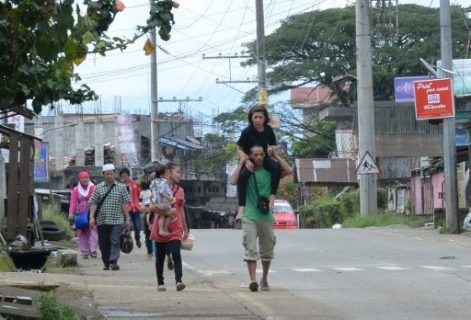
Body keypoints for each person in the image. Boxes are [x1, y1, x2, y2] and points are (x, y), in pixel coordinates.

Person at [231, 144, 292, 292]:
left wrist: (276, 155)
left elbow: (288, 171)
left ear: (265, 155)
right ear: (251, 156)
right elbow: (233, 181)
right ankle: (253, 280)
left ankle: (264, 278)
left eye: (261, 154)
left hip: (266, 216)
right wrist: (242, 161)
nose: (258, 157)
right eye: (255, 155)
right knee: (250, 249)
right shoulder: (247, 172)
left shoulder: (271, 171)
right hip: (249, 216)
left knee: (267, 250)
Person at [236, 105, 282, 220]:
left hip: (263, 156)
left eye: (260, 117)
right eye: (255, 117)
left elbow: (272, 145)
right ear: (251, 118)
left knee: (276, 168)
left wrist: (271, 149)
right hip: (249, 158)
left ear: (264, 118)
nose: (257, 120)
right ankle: (242, 207)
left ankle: (272, 198)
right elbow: (239, 148)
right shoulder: (246, 131)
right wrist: (246, 160)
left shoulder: (269, 130)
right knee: (243, 176)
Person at [150, 162, 189, 292]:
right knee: (160, 255)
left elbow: (181, 209)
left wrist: (185, 228)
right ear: (169, 173)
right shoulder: (158, 186)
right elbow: (151, 206)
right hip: (160, 225)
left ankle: (178, 281)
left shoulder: (180, 191)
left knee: (176, 252)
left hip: (176, 226)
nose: (180, 175)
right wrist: (165, 212)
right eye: (178, 172)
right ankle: (160, 283)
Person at [89, 164, 131, 271]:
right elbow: (93, 203)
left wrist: (127, 218)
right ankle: (106, 262)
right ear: (103, 175)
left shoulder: (121, 187)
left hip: (117, 219)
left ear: (114, 174)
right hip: (102, 220)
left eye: (111, 174)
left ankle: (113, 261)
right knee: (104, 243)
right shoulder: (98, 188)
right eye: (107, 174)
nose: (110, 176)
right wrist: (91, 218)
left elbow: (124, 204)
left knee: (115, 240)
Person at [68, 171, 98, 259]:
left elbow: (97, 200)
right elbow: (73, 202)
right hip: (81, 214)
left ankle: (93, 250)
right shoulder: (76, 190)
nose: (85, 179)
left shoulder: (94, 188)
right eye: (83, 178)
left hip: (92, 212)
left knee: (94, 230)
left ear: (89, 178)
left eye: (86, 177)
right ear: (79, 179)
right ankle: (85, 251)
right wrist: (71, 213)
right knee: (83, 232)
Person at [149, 162, 174, 237]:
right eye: (166, 174)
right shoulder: (163, 182)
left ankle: (161, 230)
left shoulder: (154, 181)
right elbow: (161, 192)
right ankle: (165, 228)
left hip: (155, 202)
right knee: (171, 213)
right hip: (162, 203)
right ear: (162, 175)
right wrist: (168, 198)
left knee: (162, 215)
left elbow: (151, 188)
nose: (168, 176)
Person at [120, 168, 142, 248]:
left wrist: (138, 203)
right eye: (123, 176)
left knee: (137, 225)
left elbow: (139, 193)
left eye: (126, 176)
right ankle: (129, 241)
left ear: (128, 176)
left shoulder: (134, 183)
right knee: (127, 226)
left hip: (135, 208)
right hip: (127, 209)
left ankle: (137, 238)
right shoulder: (120, 186)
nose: (124, 178)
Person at [140, 180, 155, 261]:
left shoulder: (142, 193)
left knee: (148, 234)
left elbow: (140, 201)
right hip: (153, 210)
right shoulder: (151, 192)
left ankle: (150, 253)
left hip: (147, 210)